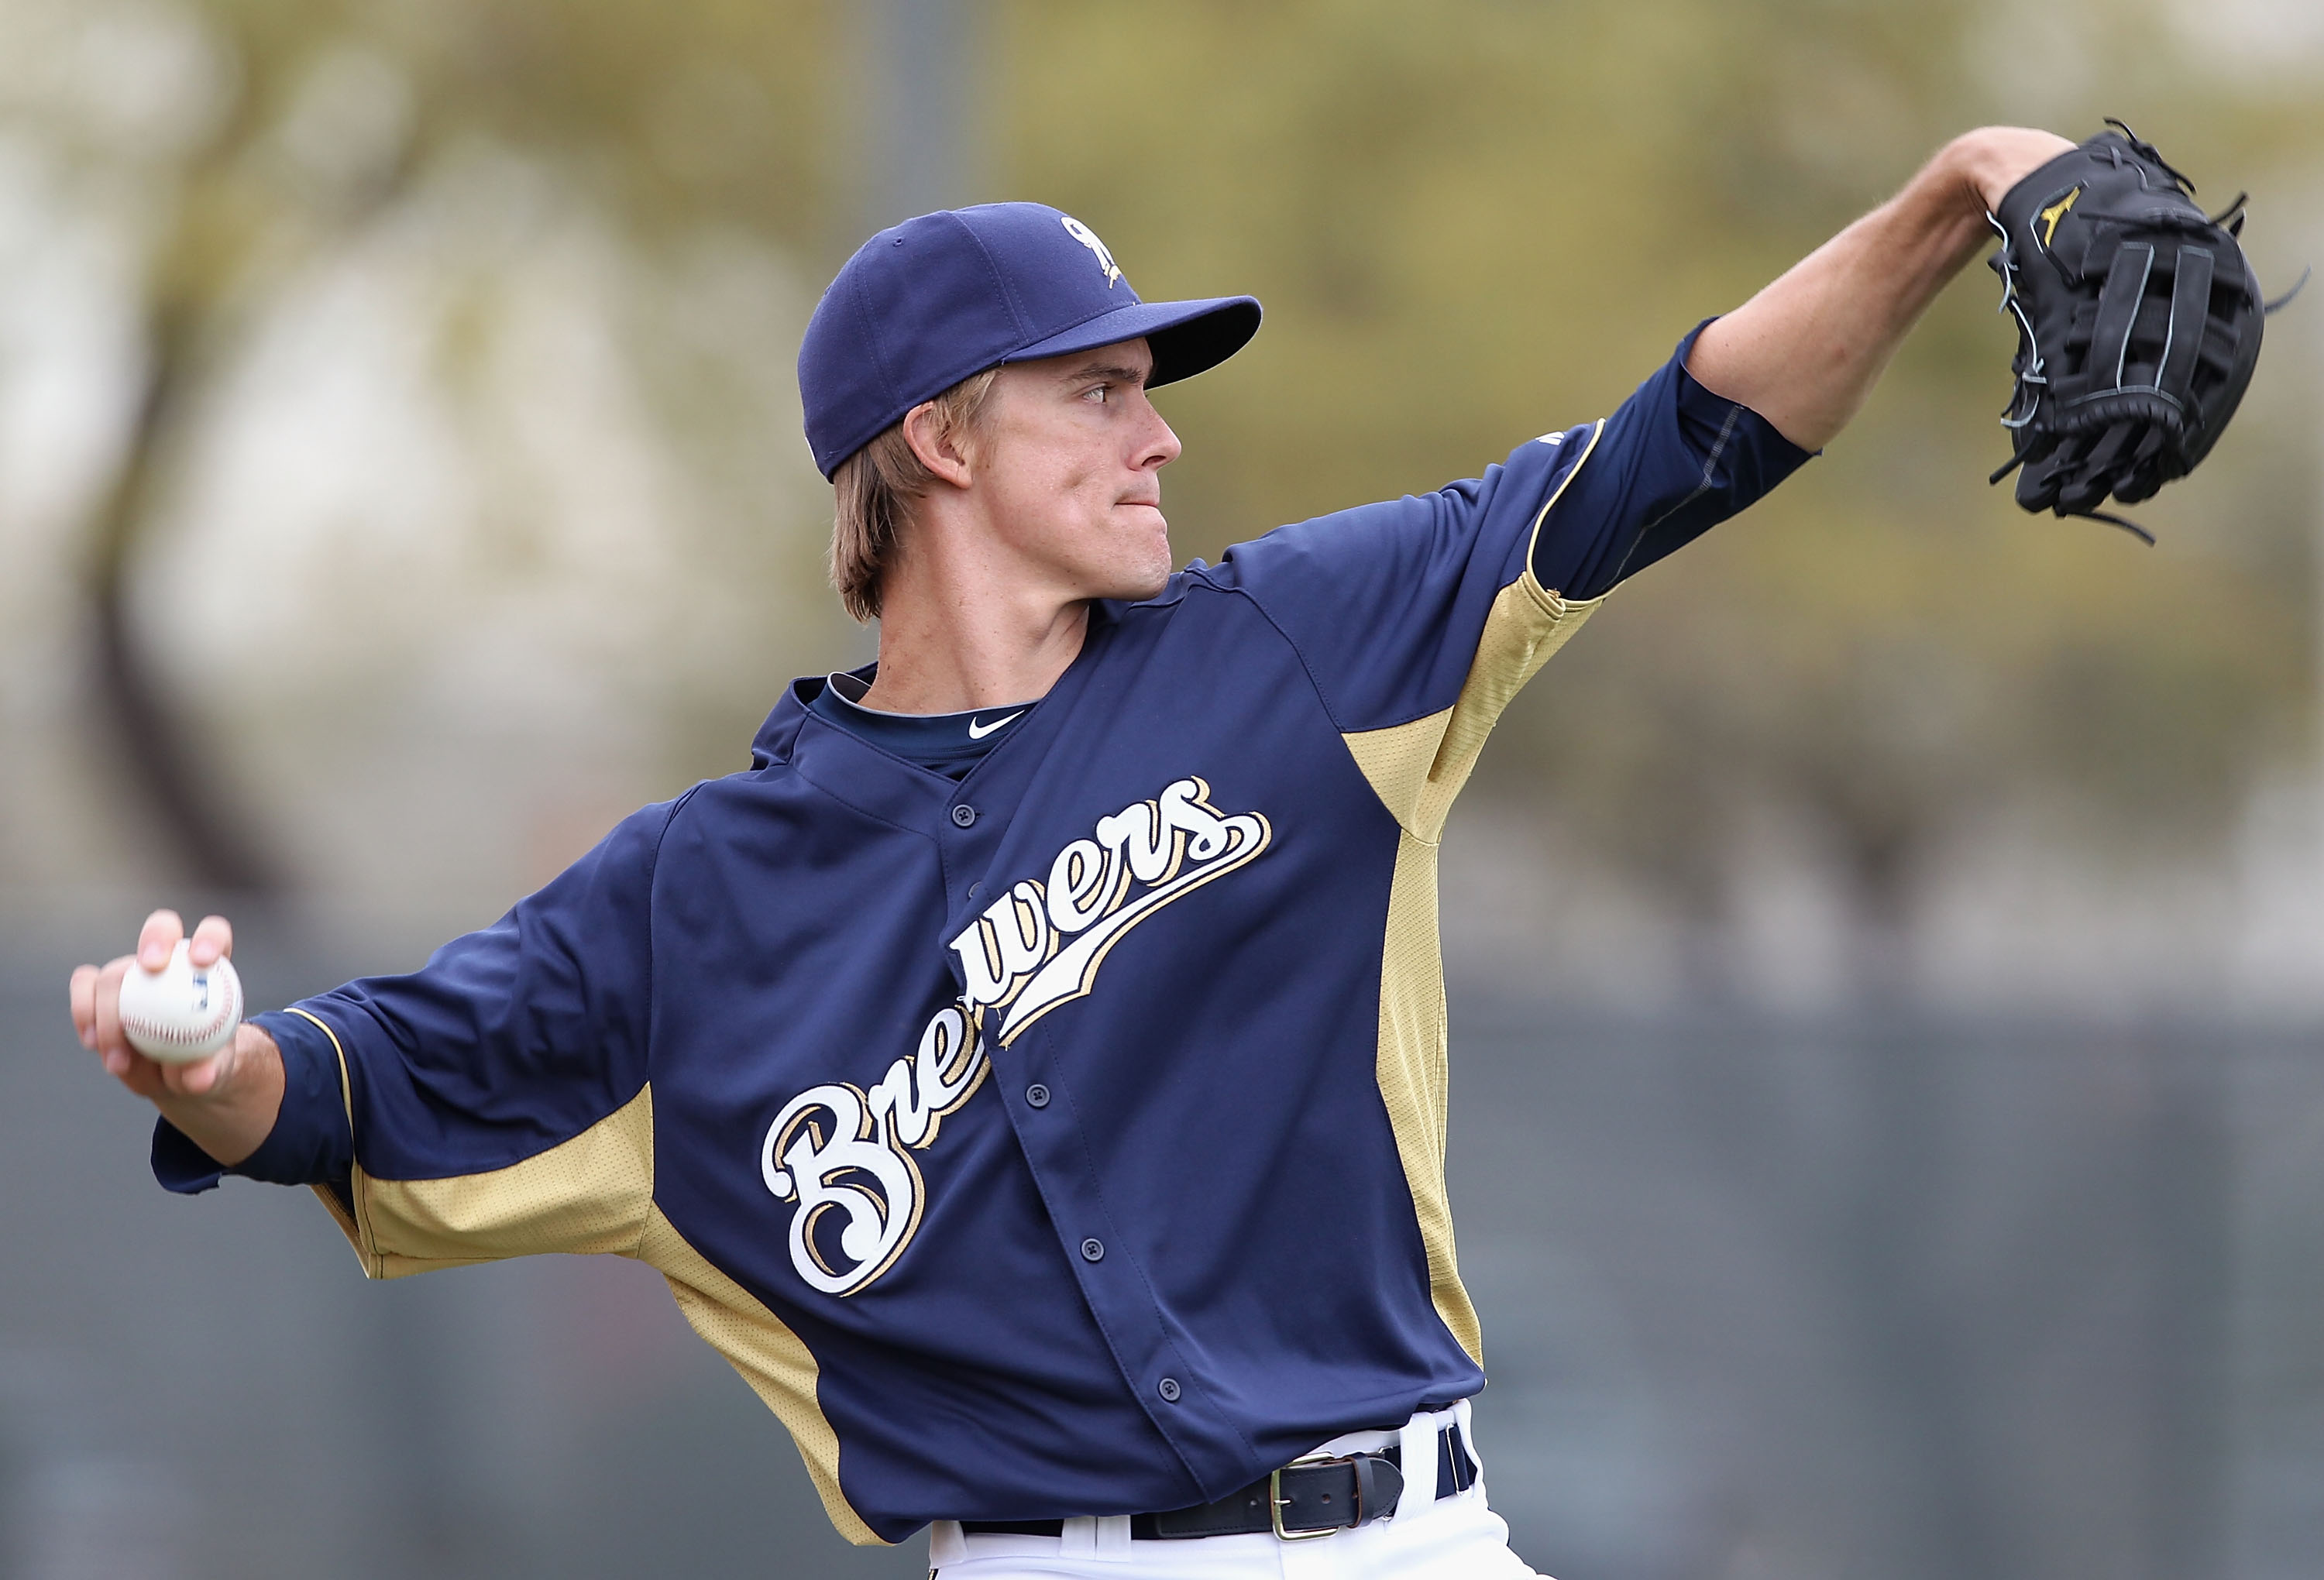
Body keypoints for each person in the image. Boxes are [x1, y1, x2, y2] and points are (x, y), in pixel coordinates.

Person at [71, 127, 2075, 1578]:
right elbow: (353, 1091)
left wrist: (1951, 194)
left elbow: (1673, 449)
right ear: (941, 442)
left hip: (1417, 1544)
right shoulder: (700, 903)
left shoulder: (1296, 656)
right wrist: (205, 1063)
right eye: (1101, 390)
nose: (1161, 436)